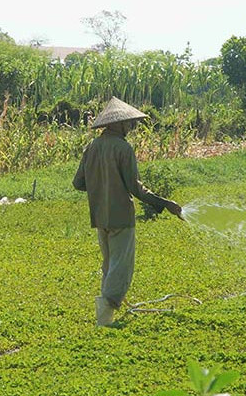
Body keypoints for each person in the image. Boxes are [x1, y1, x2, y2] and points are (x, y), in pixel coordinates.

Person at [73, 97, 183, 327]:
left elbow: (78, 183)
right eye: (129, 123)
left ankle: (105, 313)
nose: (132, 127)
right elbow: (135, 187)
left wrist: (100, 184)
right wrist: (164, 203)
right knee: (120, 268)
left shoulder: (92, 147)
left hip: (99, 216)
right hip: (121, 216)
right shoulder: (123, 148)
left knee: (109, 265)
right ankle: (105, 316)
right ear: (118, 124)